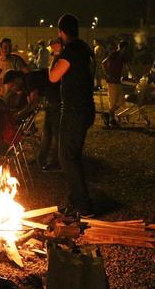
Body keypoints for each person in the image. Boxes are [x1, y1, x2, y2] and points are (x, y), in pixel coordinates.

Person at [49, 14, 96, 216]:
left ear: (61, 32)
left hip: (73, 110)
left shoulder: (71, 51)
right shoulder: (85, 48)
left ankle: (83, 206)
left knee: (67, 157)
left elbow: (53, 76)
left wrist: (56, 54)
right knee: (72, 156)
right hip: (86, 107)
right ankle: (74, 199)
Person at [37, 38, 64, 171]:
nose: (53, 49)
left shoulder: (62, 60)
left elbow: (55, 79)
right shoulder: (54, 58)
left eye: (55, 46)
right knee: (47, 132)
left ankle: (57, 161)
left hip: (58, 101)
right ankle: (41, 159)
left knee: (56, 134)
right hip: (51, 100)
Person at [101, 40, 131, 127]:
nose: (127, 50)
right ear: (124, 48)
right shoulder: (114, 54)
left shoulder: (123, 56)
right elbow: (103, 63)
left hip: (117, 81)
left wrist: (133, 75)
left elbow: (128, 66)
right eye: (127, 48)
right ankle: (111, 120)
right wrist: (107, 74)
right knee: (113, 101)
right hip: (112, 81)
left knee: (121, 101)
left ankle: (107, 115)